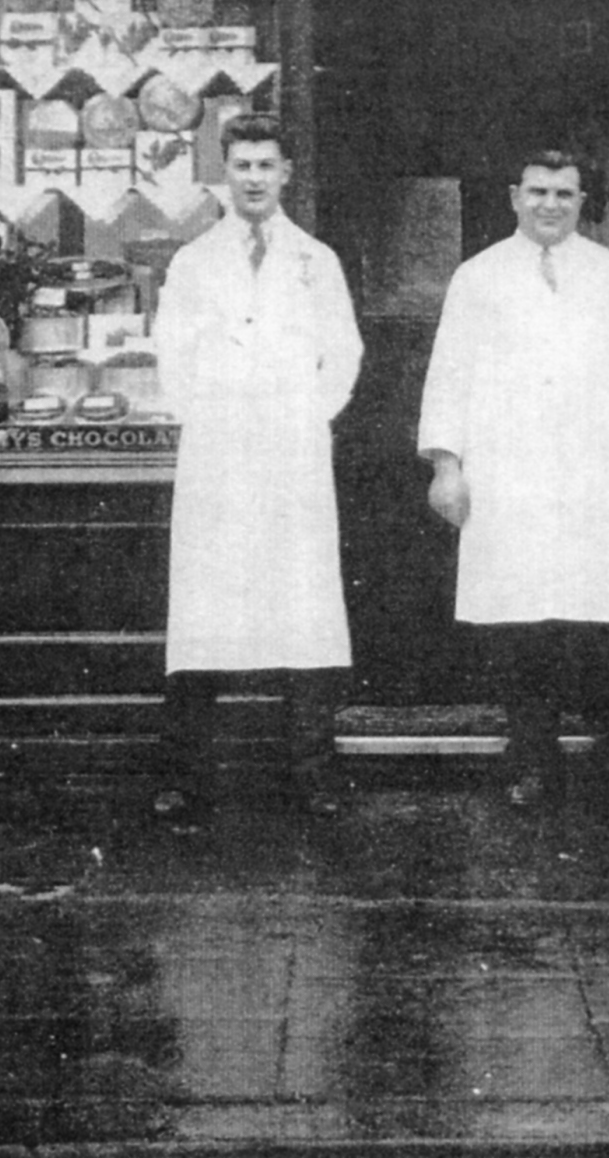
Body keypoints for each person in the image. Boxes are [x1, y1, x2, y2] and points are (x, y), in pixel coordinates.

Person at [417, 142, 609, 816]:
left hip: (598, 477)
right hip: (513, 478)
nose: (550, 205)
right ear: (514, 197)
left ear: (582, 203)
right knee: (523, 632)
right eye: (538, 191)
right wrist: (447, 465)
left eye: (564, 194)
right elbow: (449, 374)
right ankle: (532, 765)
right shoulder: (477, 277)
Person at [152, 114, 363, 823]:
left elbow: (345, 354)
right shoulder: (193, 262)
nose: (252, 178)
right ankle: (186, 776)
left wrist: (305, 416)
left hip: (292, 456)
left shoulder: (317, 260)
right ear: (223, 173)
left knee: (302, 611)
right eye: (241, 165)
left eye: (266, 166)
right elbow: (172, 360)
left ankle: (313, 774)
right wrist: (214, 417)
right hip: (218, 455)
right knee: (206, 612)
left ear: (286, 174)